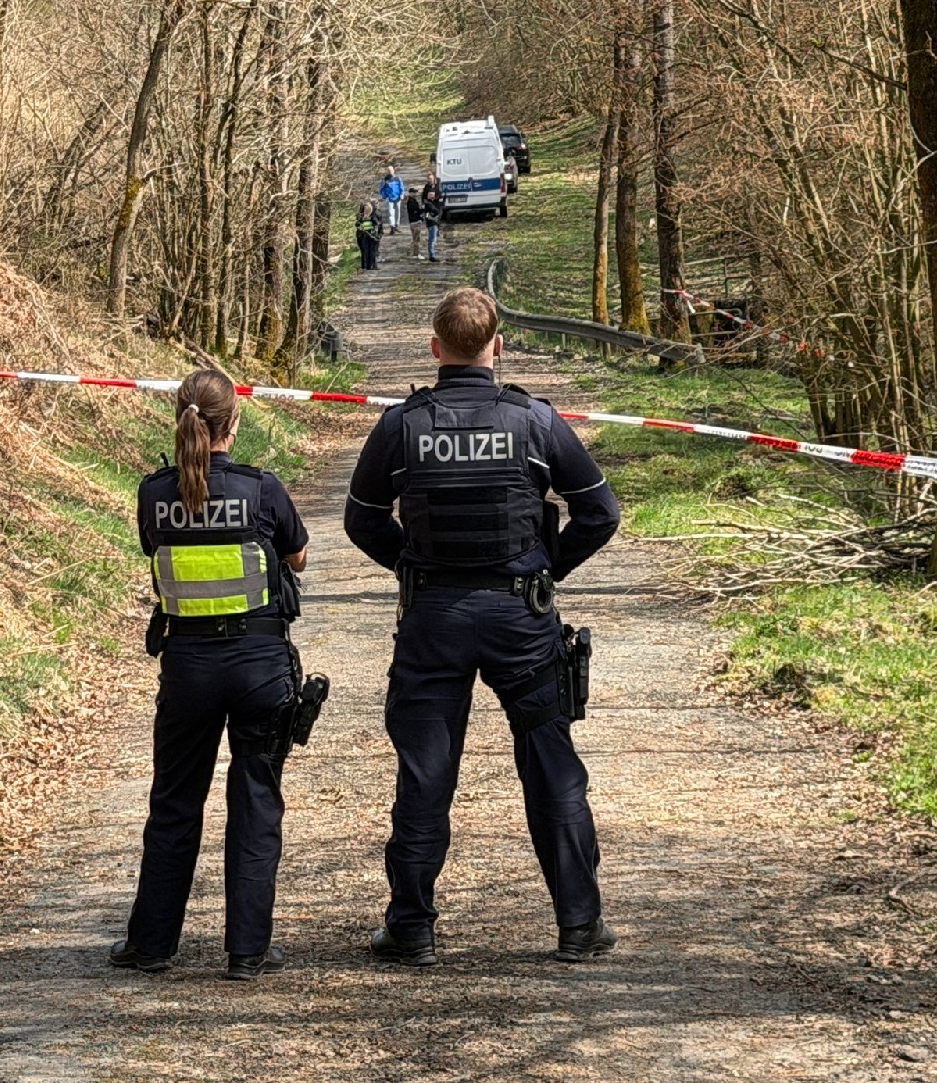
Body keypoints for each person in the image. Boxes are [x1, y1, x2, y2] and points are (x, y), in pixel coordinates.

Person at [343, 287, 622, 967]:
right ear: (498, 346)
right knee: (552, 768)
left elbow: (361, 519)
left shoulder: (402, 426)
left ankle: (411, 929)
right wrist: (545, 567)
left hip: (434, 617)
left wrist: (412, 562)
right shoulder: (536, 422)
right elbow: (601, 514)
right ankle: (579, 926)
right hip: (520, 619)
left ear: (435, 348)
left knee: (425, 774)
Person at [110, 368, 310, 981]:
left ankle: (151, 945)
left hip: (187, 669)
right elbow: (297, 556)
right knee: (255, 804)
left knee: (173, 803)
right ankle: (247, 950)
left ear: (181, 418)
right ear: (236, 422)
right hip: (259, 668)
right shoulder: (263, 490)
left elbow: (156, 546)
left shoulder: (153, 494)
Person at [420, 175, 443, 263]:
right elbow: (425, 202)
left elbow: (440, 204)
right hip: (431, 219)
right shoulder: (426, 191)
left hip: (436, 219)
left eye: (431, 179)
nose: (430, 180)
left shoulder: (437, 190)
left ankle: (432, 254)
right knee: (432, 238)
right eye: (428, 179)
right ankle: (432, 255)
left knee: (434, 237)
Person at [356, 200, 383, 270]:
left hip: (372, 236)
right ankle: (366, 266)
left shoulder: (373, 216)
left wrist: (378, 234)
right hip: (364, 236)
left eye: (367, 210)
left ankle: (373, 265)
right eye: (364, 209)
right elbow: (357, 224)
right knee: (366, 250)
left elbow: (378, 224)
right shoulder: (361, 217)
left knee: (373, 251)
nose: (366, 211)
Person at [379, 167, 405, 234]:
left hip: (397, 197)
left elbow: (402, 187)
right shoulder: (384, 179)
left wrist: (402, 194)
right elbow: (382, 189)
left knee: (397, 212)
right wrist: (384, 196)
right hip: (389, 198)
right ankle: (392, 227)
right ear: (387, 171)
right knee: (391, 213)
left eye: (391, 170)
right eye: (388, 170)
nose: (390, 171)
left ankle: (396, 225)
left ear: (393, 170)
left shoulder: (398, 178)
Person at [404, 188, 425, 260]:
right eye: (414, 193)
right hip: (415, 222)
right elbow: (416, 211)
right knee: (416, 239)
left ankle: (414, 253)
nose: (416, 194)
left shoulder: (412, 200)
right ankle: (416, 253)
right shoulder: (411, 202)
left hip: (414, 221)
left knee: (415, 238)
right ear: (410, 193)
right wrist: (421, 212)